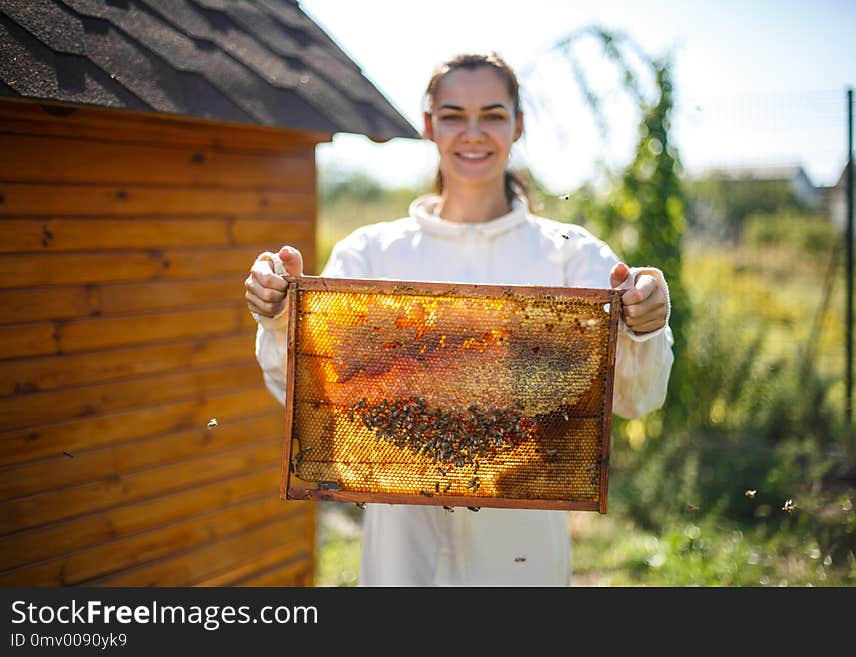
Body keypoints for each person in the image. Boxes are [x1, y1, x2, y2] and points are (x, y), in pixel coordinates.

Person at [245, 52, 674, 586]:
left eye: (493, 115)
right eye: (453, 115)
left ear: (519, 125)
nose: (473, 133)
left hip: (523, 556)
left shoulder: (570, 255)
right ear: (429, 126)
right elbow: (306, 391)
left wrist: (645, 321)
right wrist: (281, 316)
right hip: (403, 549)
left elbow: (637, 399)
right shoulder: (370, 253)